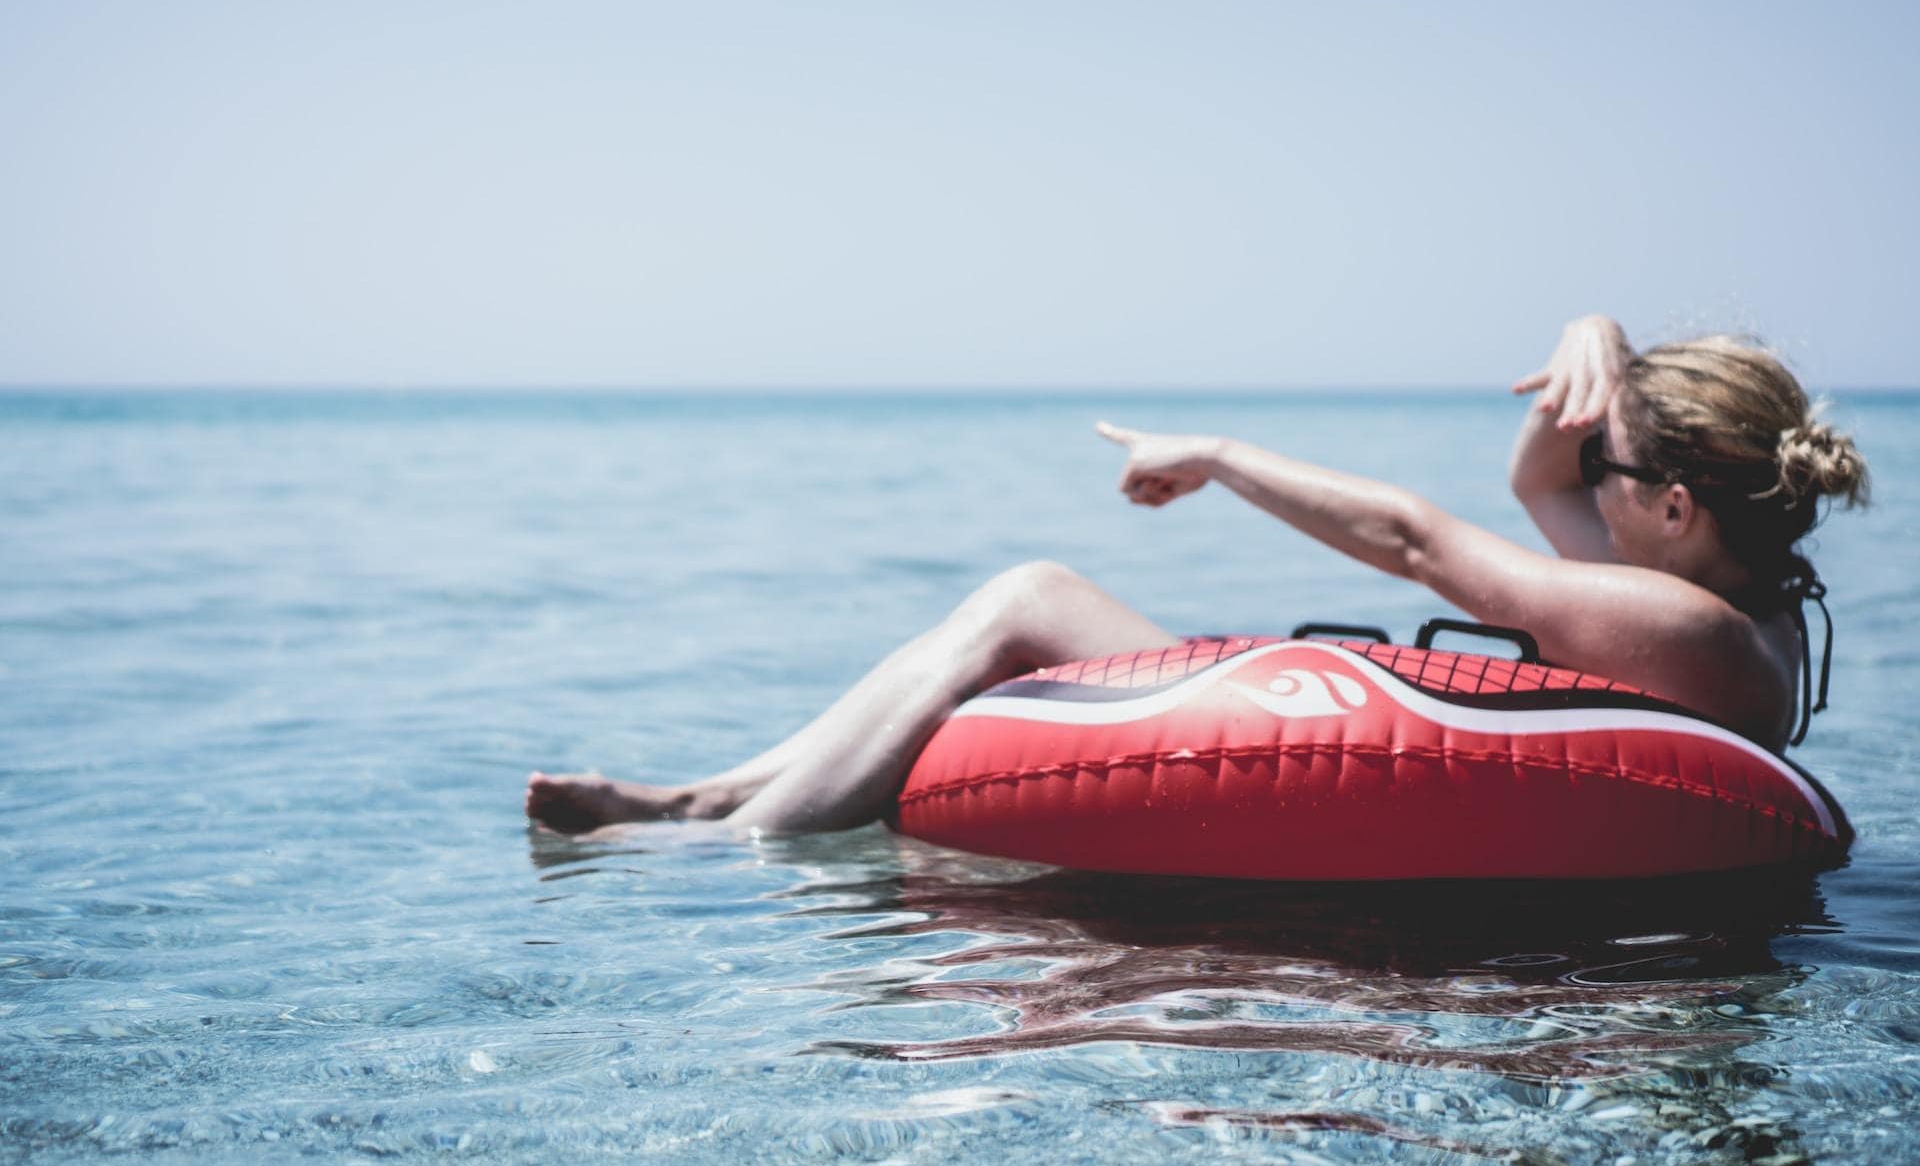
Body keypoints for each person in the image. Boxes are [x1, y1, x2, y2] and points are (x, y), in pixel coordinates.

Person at [525, 314, 1869, 839]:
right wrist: (1603, 340)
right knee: (1029, 597)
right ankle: (713, 790)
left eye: (1610, 475)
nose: (1581, 486)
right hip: (1509, 794)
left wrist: (1220, 454)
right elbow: (1535, 479)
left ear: (1675, 507)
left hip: (1426, 795)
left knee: (1022, 599)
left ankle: (729, 840)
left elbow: (1419, 539)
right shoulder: (1735, 607)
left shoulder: (1675, 624)